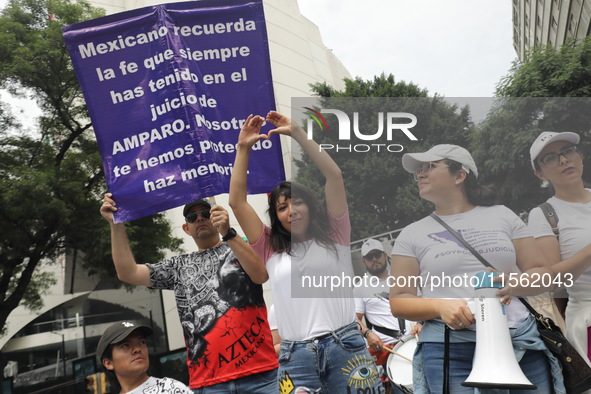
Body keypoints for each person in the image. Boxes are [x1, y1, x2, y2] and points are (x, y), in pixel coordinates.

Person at [389, 144, 566, 393]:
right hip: (448, 350)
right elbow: (399, 301)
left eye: (430, 167)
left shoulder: (503, 215)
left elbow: (542, 274)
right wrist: (440, 306)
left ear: (459, 175)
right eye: (418, 170)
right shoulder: (411, 234)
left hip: (521, 344)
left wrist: (515, 283)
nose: (420, 174)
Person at [229, 111, 382, 392]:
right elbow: (237, 202)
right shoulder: (269, 247)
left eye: (297, 202)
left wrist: (298, 133)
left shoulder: (335, 234)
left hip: (346, 347)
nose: (292, 211)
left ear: (310, 205)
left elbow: (334, 176)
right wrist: (243, 148)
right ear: (276, 216)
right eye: (282, 207)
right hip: (294, 357)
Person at [100, 197, 278, 393]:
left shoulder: (238, 245)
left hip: (261, 375)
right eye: (193, 216)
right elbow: (128, 272)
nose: (200, 218)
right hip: (210, 384)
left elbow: (261, 274)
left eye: (206, 213)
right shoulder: (177, 267)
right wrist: (115, 224)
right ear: (186, 228)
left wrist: (228, 233)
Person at [527, 131, 591, 366]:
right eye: (551, 158)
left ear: (580, 156)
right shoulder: (544, 214)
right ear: (539, 173)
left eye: (567, 151)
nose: (564, 160)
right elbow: (554, 281)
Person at [97, 320, 193, 394]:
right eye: (125, 345)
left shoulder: (171, 389)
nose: (137, 349)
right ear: (108, 363)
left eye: (142, 342)